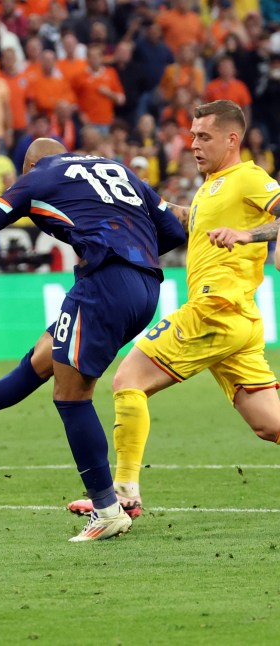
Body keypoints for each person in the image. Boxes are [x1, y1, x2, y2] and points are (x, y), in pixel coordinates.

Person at [0, 138, 186, 542]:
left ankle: (106, 509)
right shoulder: (117, 168)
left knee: (71, 396)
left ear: (28, 165)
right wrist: (132, 250)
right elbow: (171, 229)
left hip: (105, 284)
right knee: (39, 362)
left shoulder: (39, 178)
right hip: (146, 287)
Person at [68, 100, 280, 518]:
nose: (193, 144)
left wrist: (248, 234)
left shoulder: (248, 178)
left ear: (231, 139)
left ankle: (122, 496)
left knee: (128, 380)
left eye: (204, 136)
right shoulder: (211, 187)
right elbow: (187, 220)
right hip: (236, 321)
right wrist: (138, 200)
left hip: (216, 309)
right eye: (192, 135)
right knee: (269, 424)